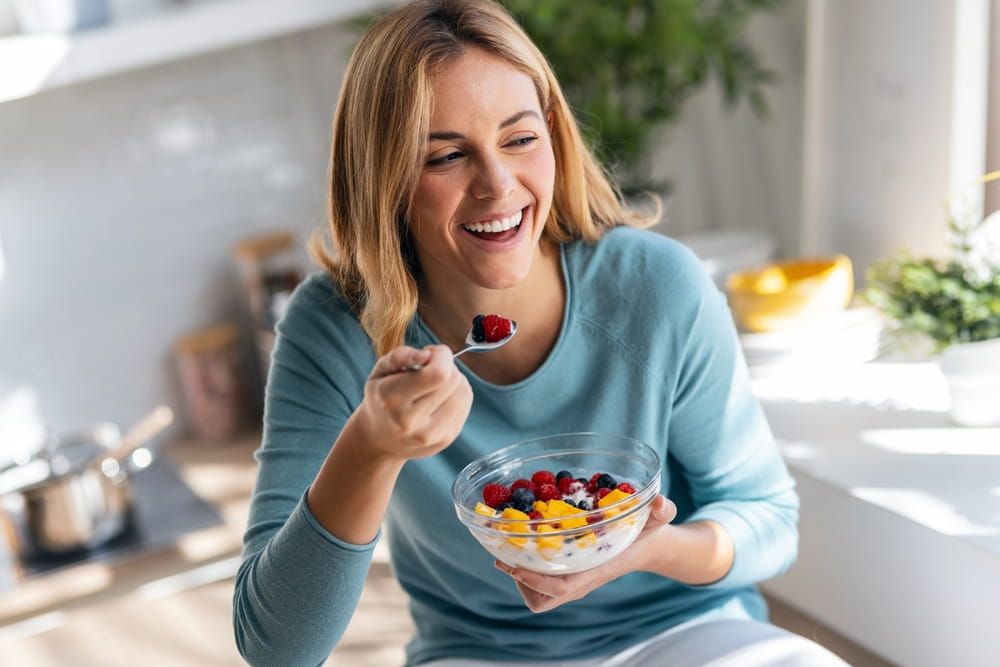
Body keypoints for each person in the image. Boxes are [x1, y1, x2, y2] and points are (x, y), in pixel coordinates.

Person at [232, 1, 849, 666]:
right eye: (445, 155)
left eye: (520, 139)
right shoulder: (331, 326)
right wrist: (371, 448)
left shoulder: (657, 285)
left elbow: (768, 521)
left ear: (554, 136)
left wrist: (644, 549)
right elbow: (277, 650)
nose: (498, 186)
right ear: (384, 179)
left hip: (692, 633)